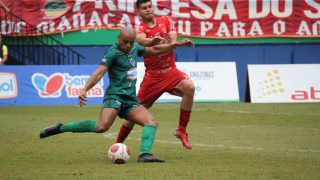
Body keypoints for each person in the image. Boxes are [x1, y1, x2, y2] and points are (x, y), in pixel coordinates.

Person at [39, 27, 194, 163]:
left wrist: (177, 44)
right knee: (102, 126)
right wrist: (85, 89)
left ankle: (144, 154)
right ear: (119, 38)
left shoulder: (134, 49)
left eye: (131, 42)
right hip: (115, 97)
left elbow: (155, 50)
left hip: (130, 100)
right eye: (125, 42)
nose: (128, 45)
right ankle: (61, 128)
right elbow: (99, 73)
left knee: (151, 122)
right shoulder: (112, 53)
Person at [115, 0, 195, 149]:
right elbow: (143, 41)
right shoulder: (139, 29)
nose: (148, 10)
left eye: (150, 7)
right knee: (134, 113)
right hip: (153, 77)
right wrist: (152, 41)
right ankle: (117, 144)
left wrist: (172, 43)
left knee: (189, 87)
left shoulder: (166, 20)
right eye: (144, 8)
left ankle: (182, 130)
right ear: (139, 12)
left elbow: (172, 42)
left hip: (171, 71)